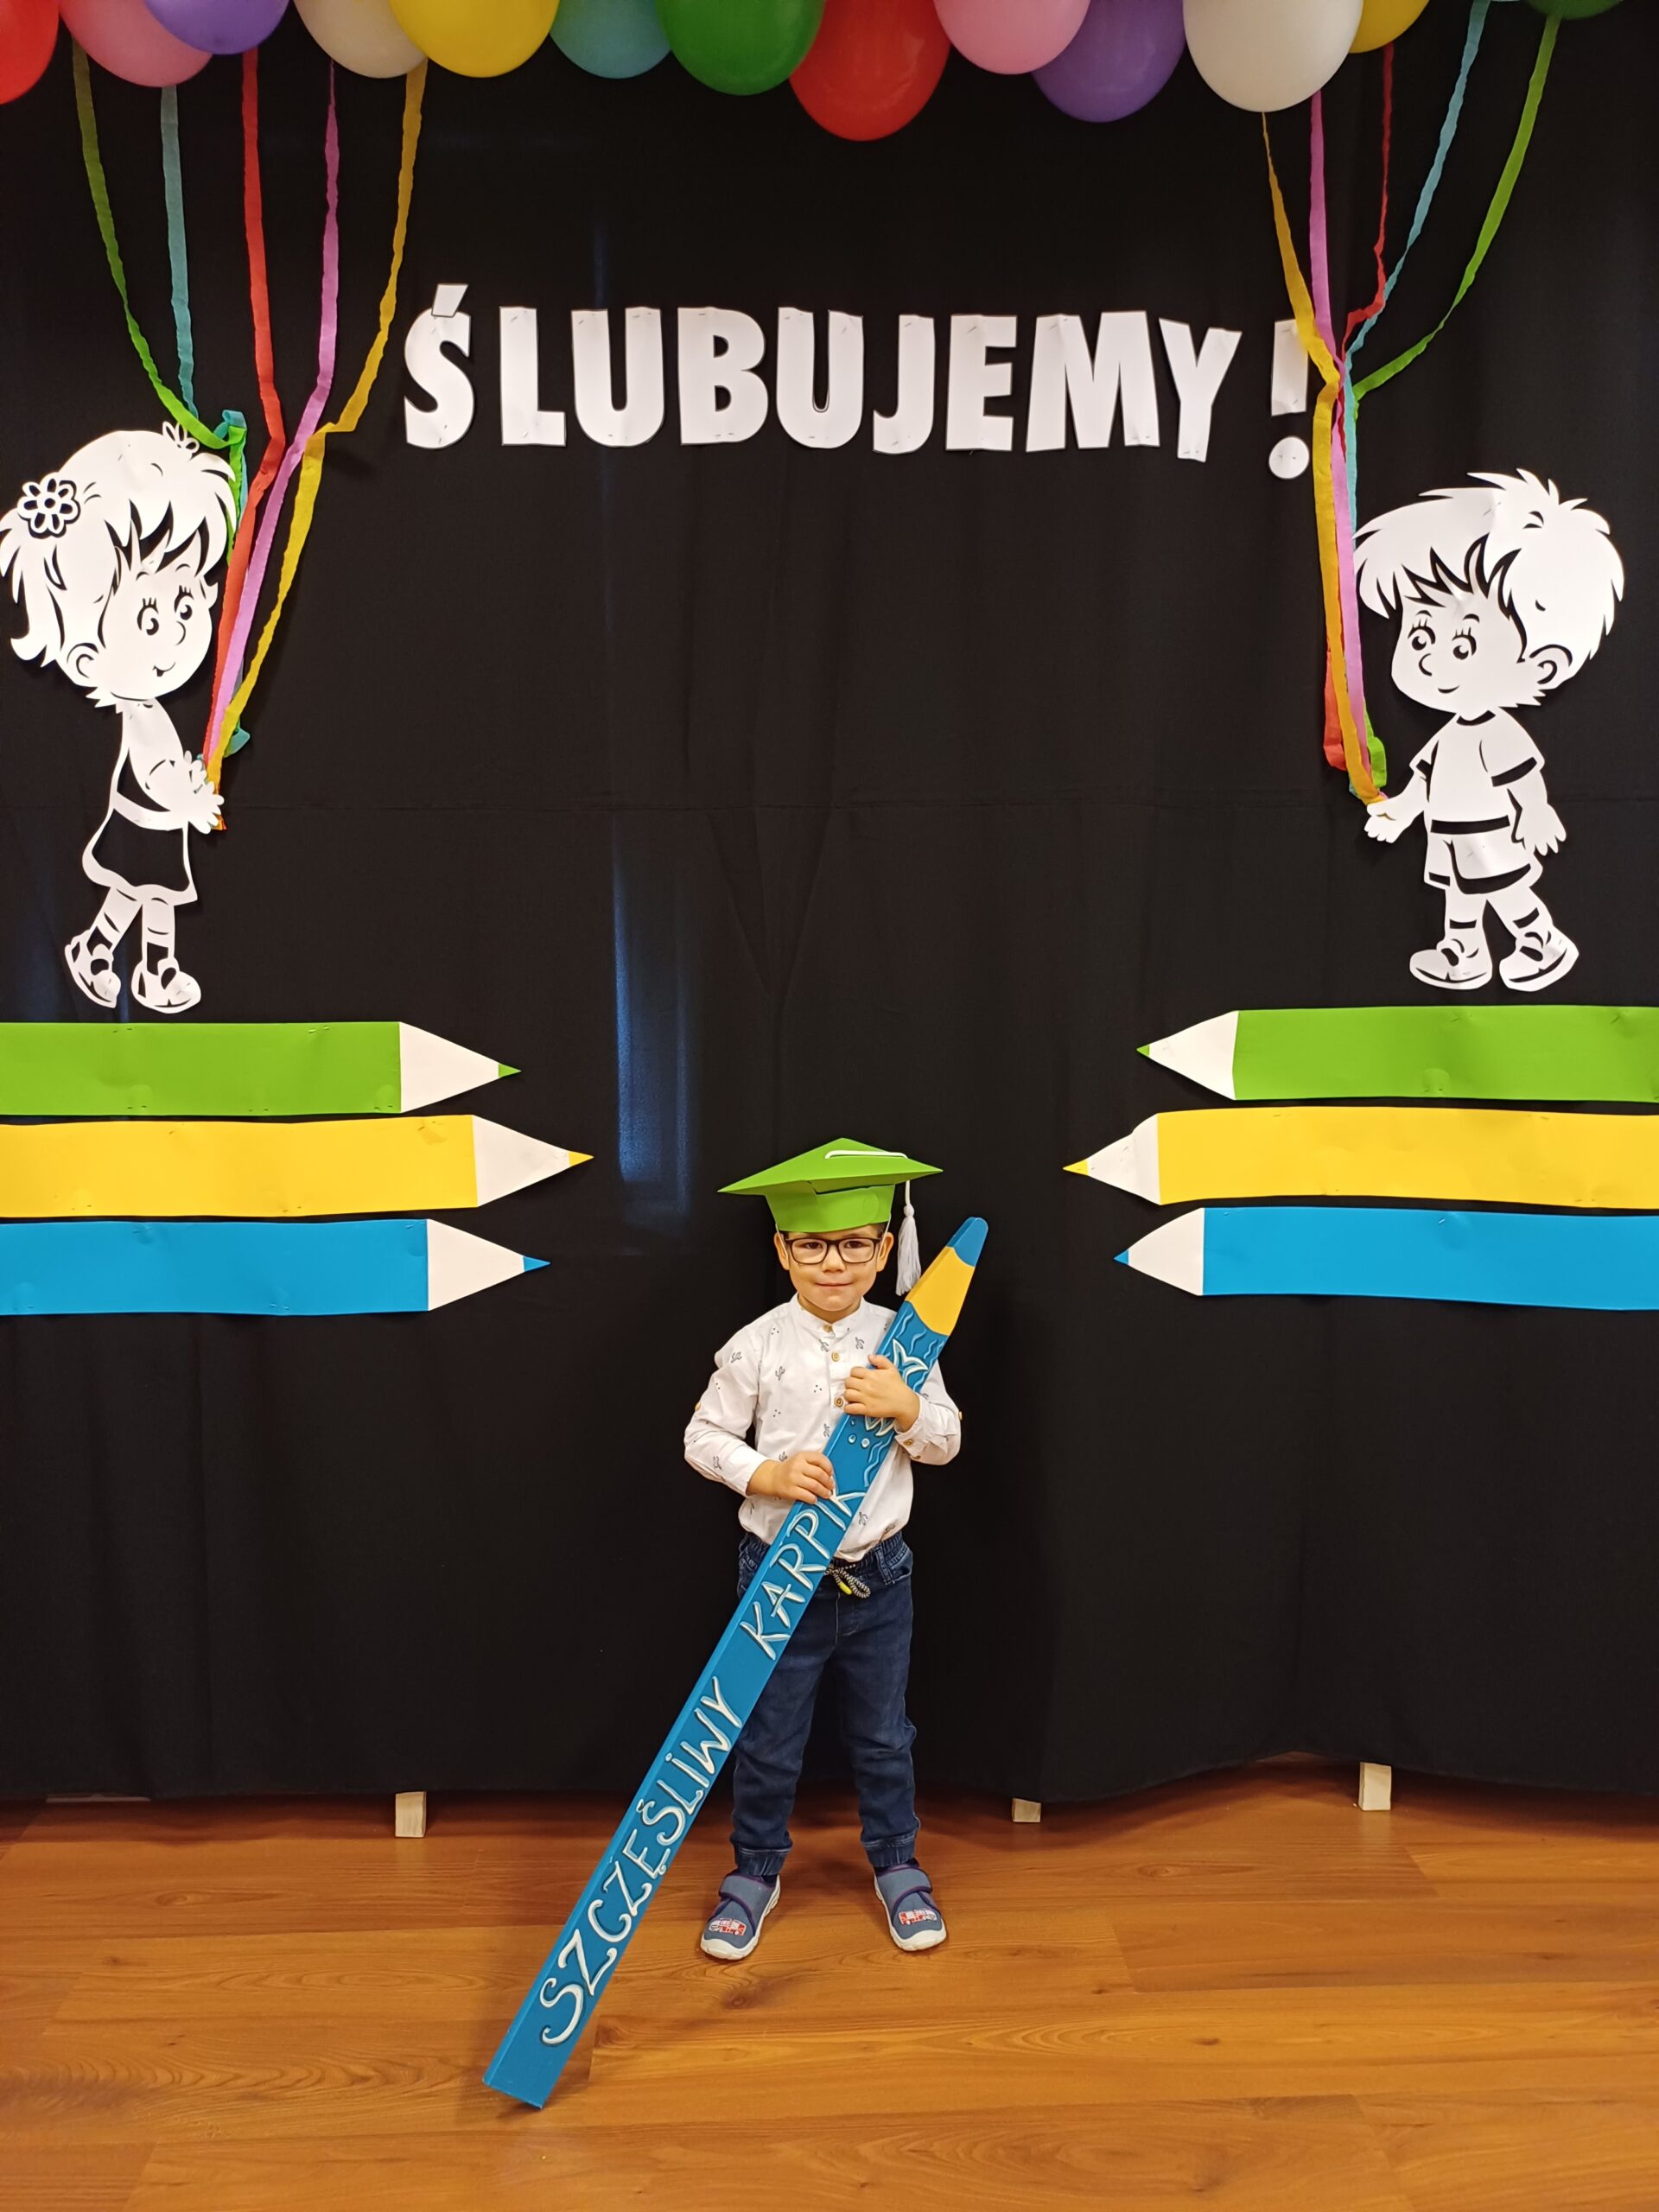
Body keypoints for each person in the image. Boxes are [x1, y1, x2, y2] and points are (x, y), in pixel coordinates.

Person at [684, 1139, 962, 1961]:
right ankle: (754, 1871)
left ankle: (897, 1864)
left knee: (883, 1736)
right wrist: (765, 1474)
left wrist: (907, 1407)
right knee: (768, 1737)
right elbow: (702, 1436)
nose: (833, 1263)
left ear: (884, 1248)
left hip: (880, 1578)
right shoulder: (757, 1344)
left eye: (853, 1244)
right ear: (782, 1250)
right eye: (811, 1245)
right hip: (777, 1578)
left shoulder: (909, 1344)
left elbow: (946, 1441)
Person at [1357, 468, 1623, 994]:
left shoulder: (1495, 731)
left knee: (1506, 892)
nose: (1430, 660)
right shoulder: (1450, 734)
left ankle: (1541, 942)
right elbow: (1426, 780)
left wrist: (1534, 810)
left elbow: (1521, 776)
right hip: (1449, 833)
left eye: (1463, 646)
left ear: (1542, 665)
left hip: (1489, 833)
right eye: (1420, 634)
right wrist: (1403, 811)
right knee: (1458, 896)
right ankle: (1464, 953)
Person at [0, 423, 236, 1012]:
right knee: (147, 893)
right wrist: (189, 802)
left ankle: (120, 958)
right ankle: (130, 961)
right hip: (148, 818)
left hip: (154, 821)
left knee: (144, 894)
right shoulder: (142, 714)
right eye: (149, 619)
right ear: (86, 658)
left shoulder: (150, 708)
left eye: (186, 600)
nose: (177, 631)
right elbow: (154, 771)